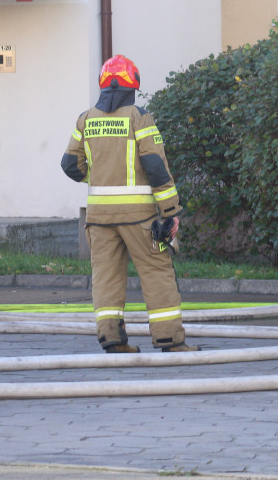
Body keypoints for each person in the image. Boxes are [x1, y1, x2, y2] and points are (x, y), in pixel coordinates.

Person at [61, 55, 198, 353]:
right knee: (156, 271)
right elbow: (155, 166)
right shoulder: (138, 117)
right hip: (140, 218)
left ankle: (111, 339)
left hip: (98, 219)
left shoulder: (85, 119)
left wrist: (98, 177)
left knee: (106, 275)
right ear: (132, 84)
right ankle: (170, 340)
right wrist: (171, 211)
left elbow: (70, 165)